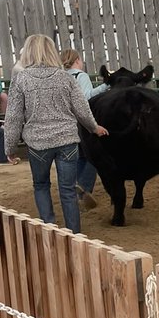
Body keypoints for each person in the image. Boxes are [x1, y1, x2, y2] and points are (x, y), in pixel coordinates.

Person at [3, 34, 108, 234]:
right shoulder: (65, 77)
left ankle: (49, 229)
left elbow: (14, 116)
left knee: (41, 185)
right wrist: (94, 128)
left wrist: (10, 147)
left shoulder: (21, 79)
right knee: (68, 190)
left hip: (38, 143)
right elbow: (82, 109)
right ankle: (74, 235)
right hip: (67, 140)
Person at [60, 48, 108, 209]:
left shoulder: (60, 76)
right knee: (94, 157)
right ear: (77, 60)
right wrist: (105, 86)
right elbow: (87, 97)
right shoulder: (81, 76)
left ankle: (76, 186)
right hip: (81, 120)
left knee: (80, 156)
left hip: (66, 121)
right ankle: (85, 187)